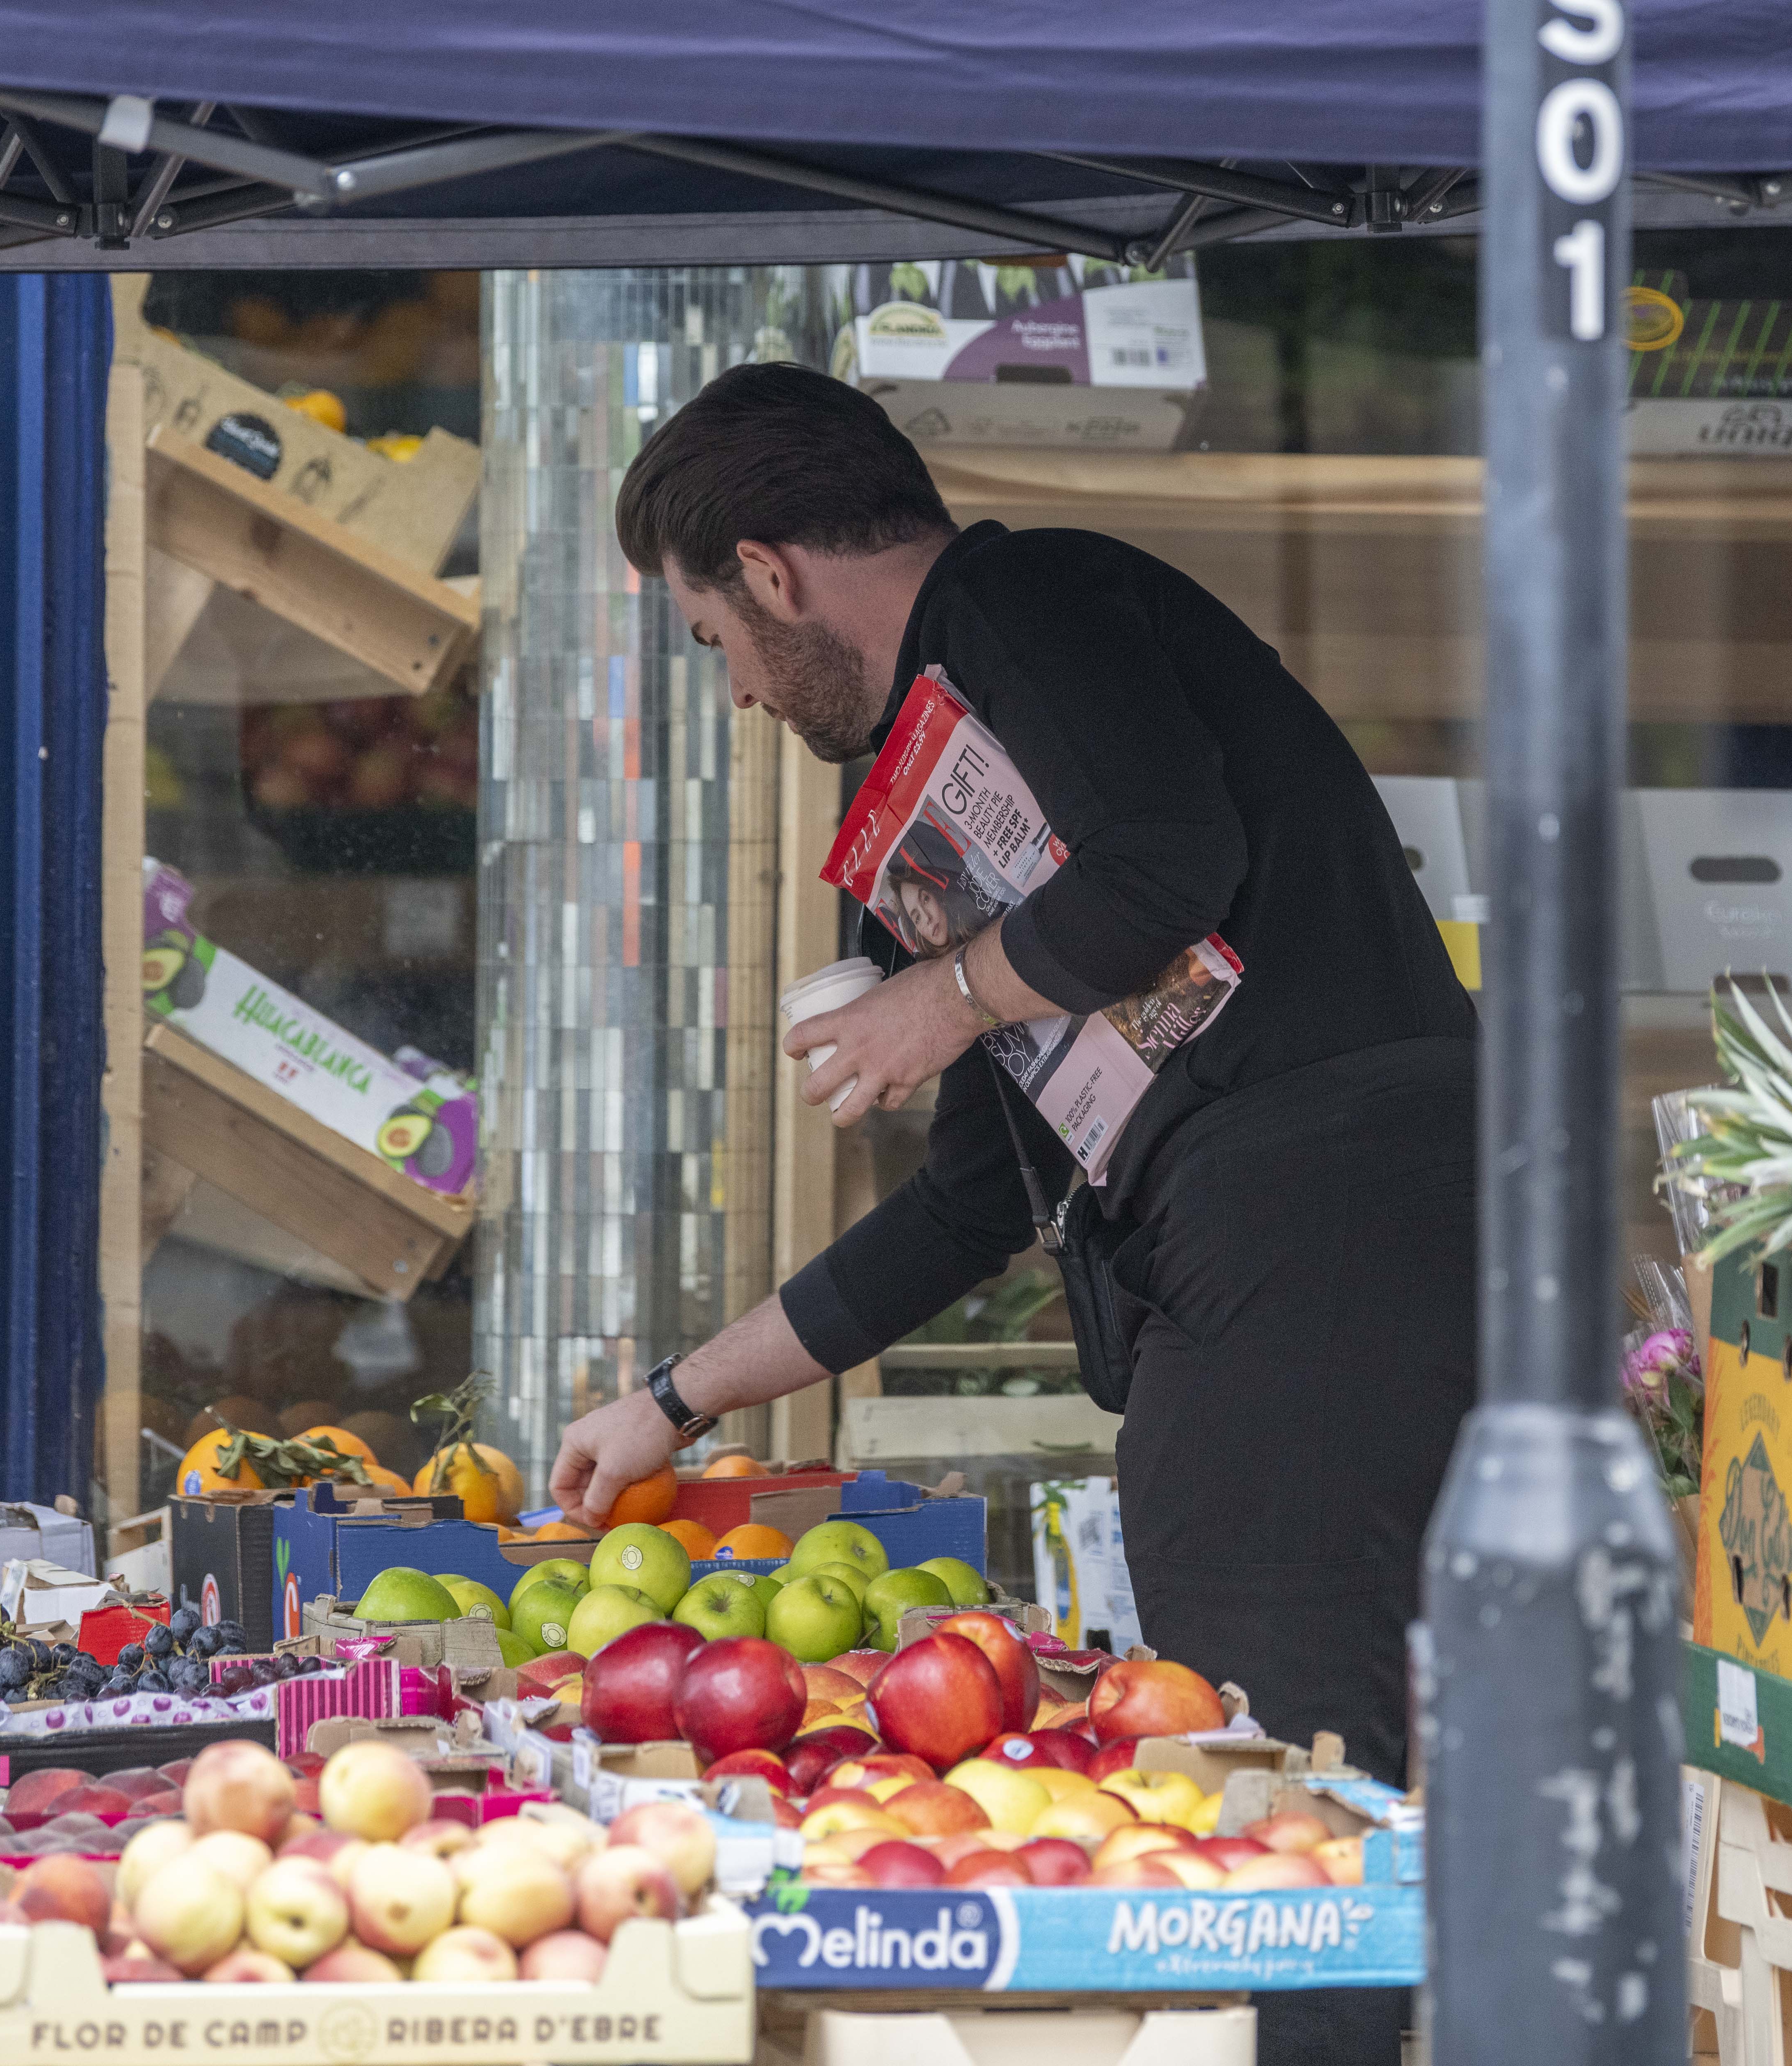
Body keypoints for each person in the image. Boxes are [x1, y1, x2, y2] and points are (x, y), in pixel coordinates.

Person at [547, 364, 1476, 2060]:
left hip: (1332, 1218)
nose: (739, 695)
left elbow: (1161, 861)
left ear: (767, 573)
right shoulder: (901, 794)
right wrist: (675, 1400)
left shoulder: (1030, 600)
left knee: (1279, 1775)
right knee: (1281, 1748)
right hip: (1249, 1265)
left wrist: (947, 997)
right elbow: (969, 1203)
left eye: (712, 643)